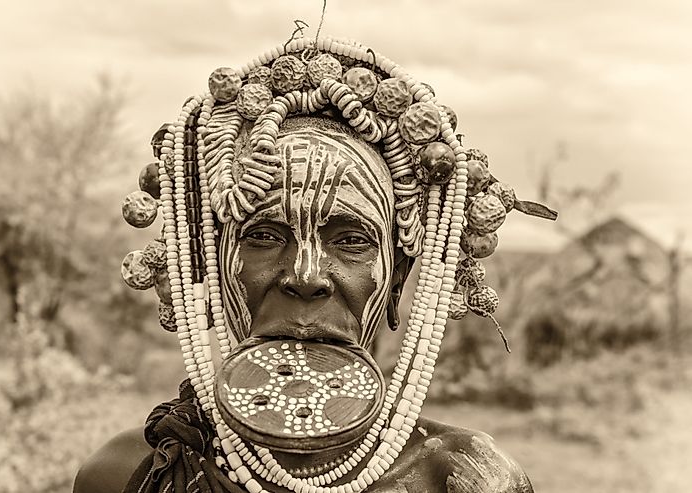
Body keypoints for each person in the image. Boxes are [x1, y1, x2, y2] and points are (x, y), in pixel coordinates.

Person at [76, 34, 554, 493]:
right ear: (211, 265)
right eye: (263, 236)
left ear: (395, 281)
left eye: (351, 240)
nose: (305, 276)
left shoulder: (469, 482)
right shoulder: (126, 478)